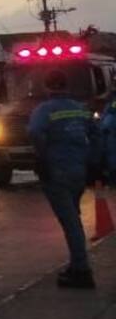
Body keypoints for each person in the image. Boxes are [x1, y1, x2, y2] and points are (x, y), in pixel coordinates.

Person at [28, 70, 99, 289]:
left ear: (48, 87)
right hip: (79, 170)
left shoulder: (44, 109)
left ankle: (81, 269)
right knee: (73, 218)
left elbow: (34, 132)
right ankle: (76, 264)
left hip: (57, 170)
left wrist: (42, 155)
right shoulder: (79, 109)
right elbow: (96, 133)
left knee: (70, 222)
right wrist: (94, 163)